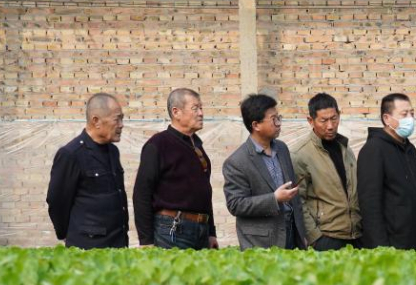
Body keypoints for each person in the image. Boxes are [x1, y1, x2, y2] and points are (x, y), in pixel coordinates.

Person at [133, 88, 219, 249]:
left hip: (201, 229)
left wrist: (211, 232)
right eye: (195, 108)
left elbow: (204, 192)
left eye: (201, 108)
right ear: (176, 112)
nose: (201, 113)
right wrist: (146, 241)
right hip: (172, 229)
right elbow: (142, 193)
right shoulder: (158, 144)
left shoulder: (197, 146)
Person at [222, 94, 307, 250]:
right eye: (273, 119)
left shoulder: (282, 148)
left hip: (291, 234)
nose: (279, 123)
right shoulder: (236, 162)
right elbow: (236, 205)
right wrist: (274, 199)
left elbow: (295, 198)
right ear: (256, 125)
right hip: (261, 242)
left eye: (279, 117)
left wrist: (302, 234)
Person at [46, 93, 129, 249]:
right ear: (96, 121)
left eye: (122, 119)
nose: (121, 125)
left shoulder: (112, 151)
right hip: (88, 246)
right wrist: (66, 233)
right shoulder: (71, 154)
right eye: (117, 119)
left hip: (117, 243)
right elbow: (57, 201)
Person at [357, 93, 416, 249]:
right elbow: (370, 205)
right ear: (387, 118)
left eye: (412, 113)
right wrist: (381, 248)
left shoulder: (410, 150)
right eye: (404, 114)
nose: (410, 119)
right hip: (392, 245)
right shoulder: (374, 149)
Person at [291, 93, 361, 250]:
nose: (330, 125)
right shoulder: (300, 154)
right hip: (326, 238)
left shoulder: (345, 147)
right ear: (311, 121)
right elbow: (297, 201)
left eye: (334, 118)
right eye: (323, 120)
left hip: (355, 235)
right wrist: (315, 238)